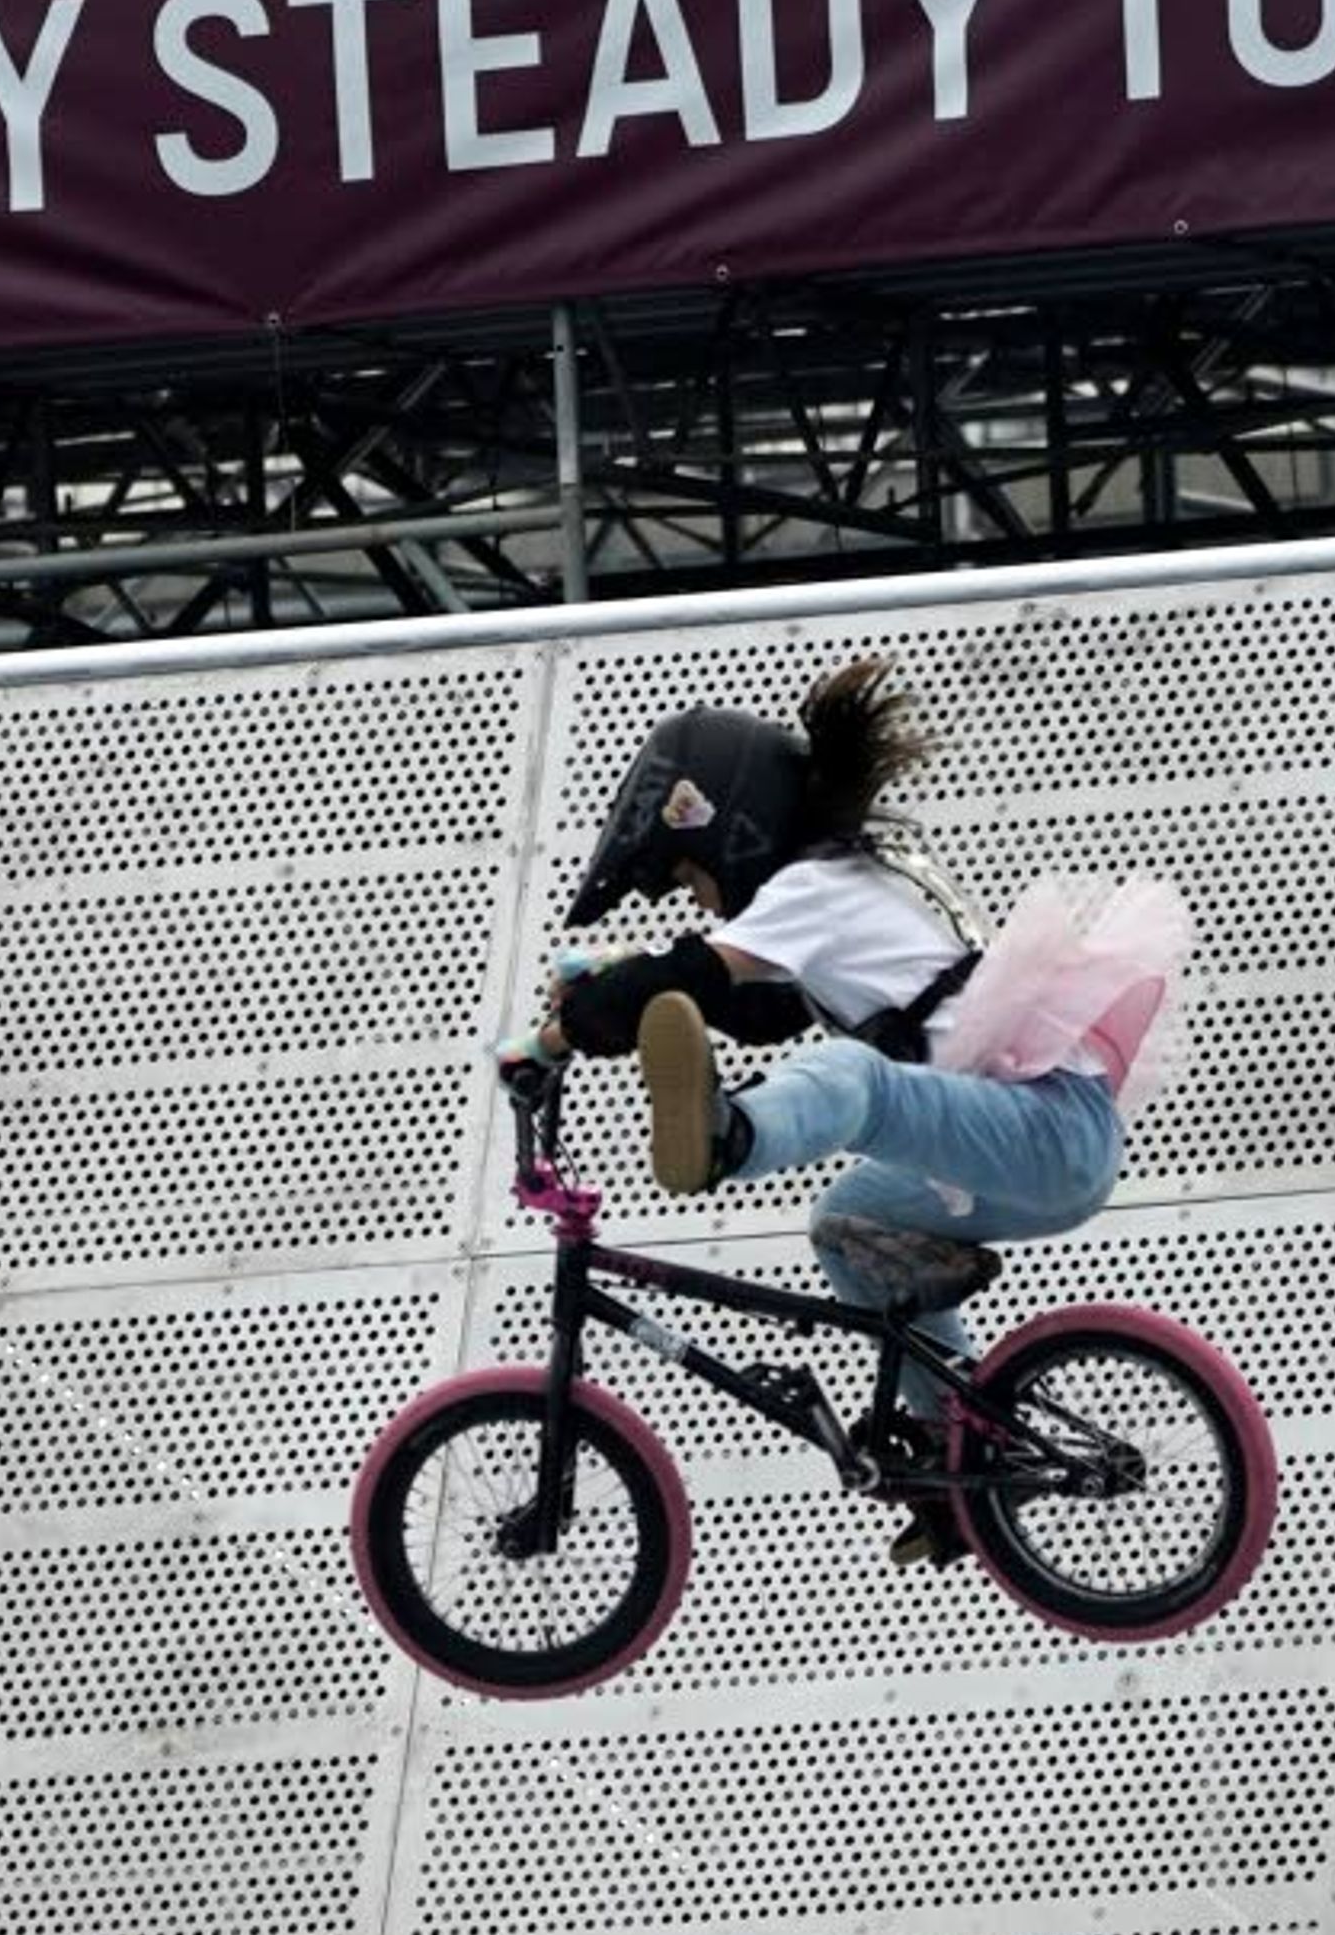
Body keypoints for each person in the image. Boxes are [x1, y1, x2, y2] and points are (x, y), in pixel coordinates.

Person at [497, 655, 1189, 1566]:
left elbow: (698, 976)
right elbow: (749, 1007)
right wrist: (613, 987)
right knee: (848, 1218)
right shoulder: (852, 882)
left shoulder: (812, 888)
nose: (701, 904)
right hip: (1038, 1147)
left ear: (729, 832)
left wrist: (558, 1037)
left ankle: (726, 1136)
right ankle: (962, 1454)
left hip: (1043, 1130)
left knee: (853, 1080)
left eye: (693, 881)